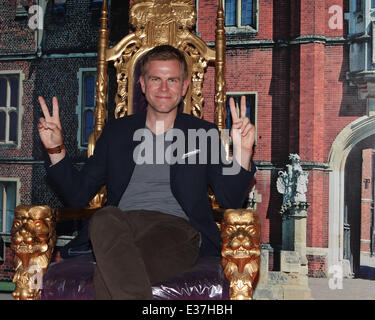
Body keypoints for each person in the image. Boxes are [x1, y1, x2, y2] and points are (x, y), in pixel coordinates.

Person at [37, 45, 256, 299]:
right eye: (156, 79)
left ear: (184, 86)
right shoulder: (116, 132)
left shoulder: (203, 134)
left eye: (172, 80)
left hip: (177, 231)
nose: (164, 88)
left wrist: (242, 154)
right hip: (119, 226)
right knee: (104, 219)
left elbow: (230, 199)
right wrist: (55, 149)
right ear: (142, 84)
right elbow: (77, 194)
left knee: (111, 272)